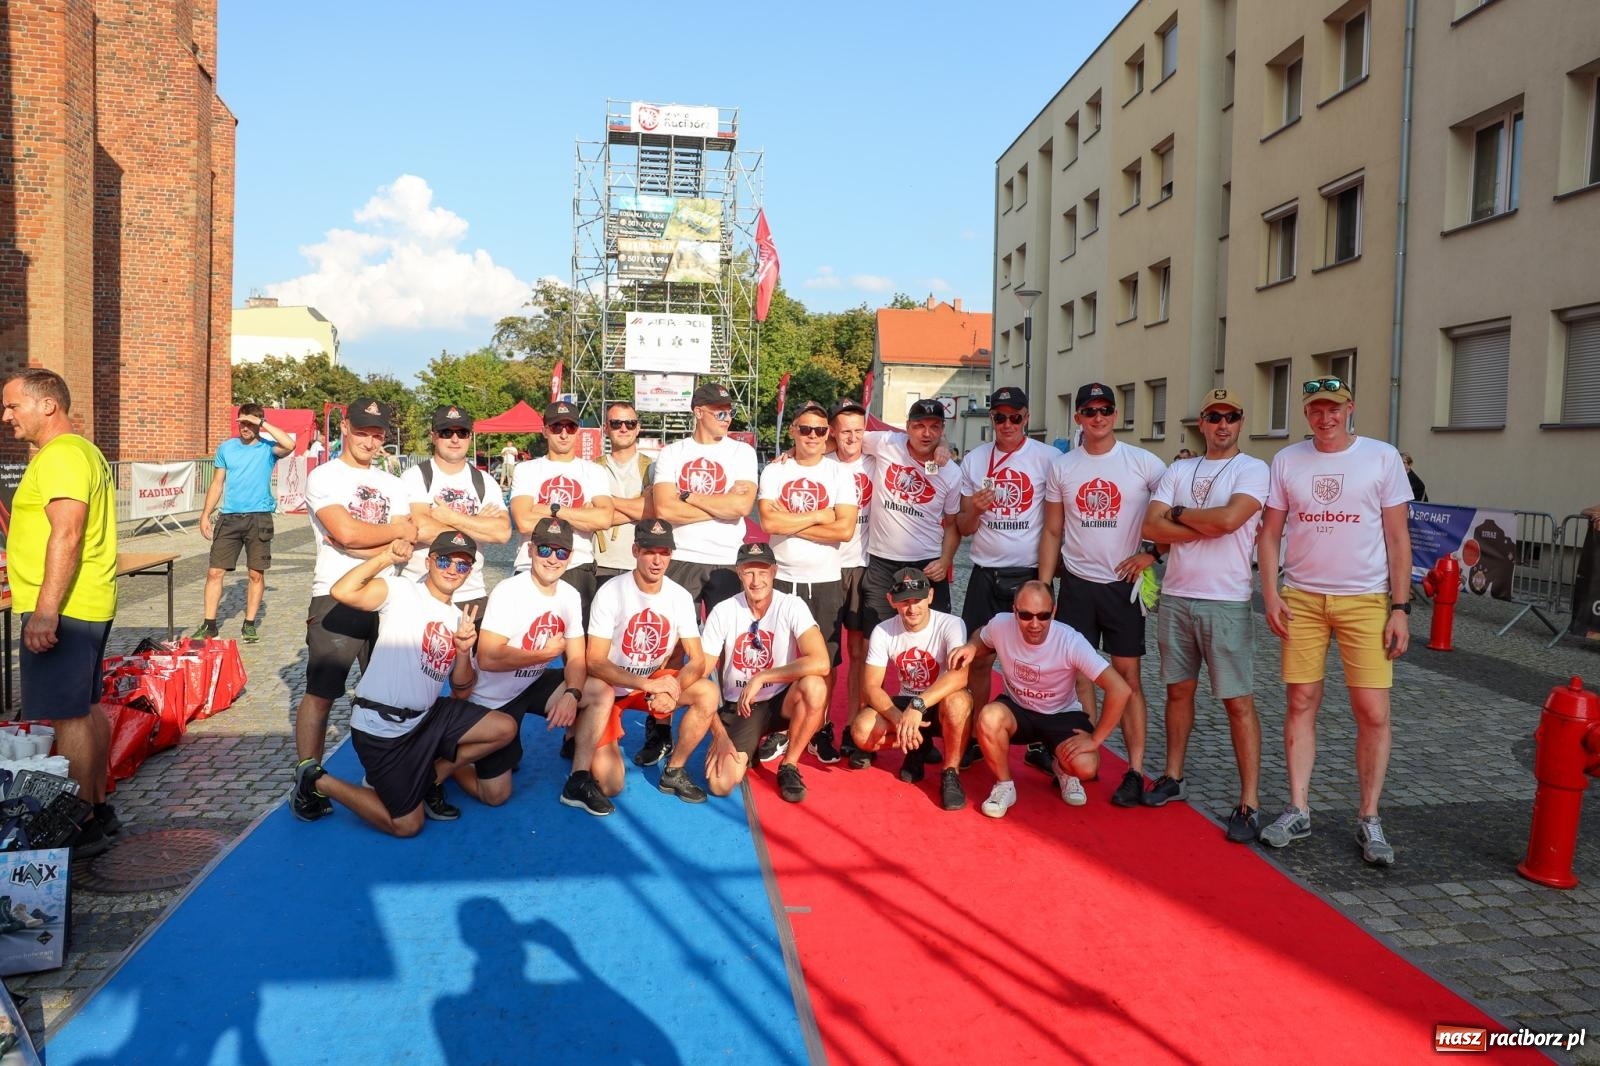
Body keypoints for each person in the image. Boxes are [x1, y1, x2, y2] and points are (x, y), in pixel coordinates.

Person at [1257, 377, 1412, 866]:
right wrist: (1269, 593)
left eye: (1334, 408)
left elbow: (1398, 539)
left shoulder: (1381, 457)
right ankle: (1298, 808)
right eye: (1315, 410)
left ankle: (1369, 815)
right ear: (1306, 413)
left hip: (1366, 600)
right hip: (1302, 598)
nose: (1325, 418)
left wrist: (1401, 609)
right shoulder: (1287, 460)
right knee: (1301, 701)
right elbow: (1269, 534)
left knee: (1373, 711)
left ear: (1350, 408)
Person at [289, 531, 517, 836]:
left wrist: (463, 651)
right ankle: (317, 780)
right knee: (408, 825)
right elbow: (342, 590)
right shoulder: (402, 590)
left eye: (462, 565)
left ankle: (431, 777)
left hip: (427, 718)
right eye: (445, 561)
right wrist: (385, 557)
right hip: (382, 726)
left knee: (504, 728)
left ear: (470, 571)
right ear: (430, 561)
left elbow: (462, 690)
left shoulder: (457, 618)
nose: (453, 569)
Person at [1140, 388, 1271, 842]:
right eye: (1214, 417)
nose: (1222, 424)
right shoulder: (1180, 469)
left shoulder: (1252, 469)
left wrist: (1178, 515)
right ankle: (1173, 775)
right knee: (1178, 692)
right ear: (1201, 423)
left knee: (1237, 702)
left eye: (1231, 416)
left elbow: (1231, 521)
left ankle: (1249, 802)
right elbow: (1150, 526)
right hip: (1177, 595)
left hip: (1226, 600)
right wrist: (1204, 524)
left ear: (1240, 422)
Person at [293, 397, 433, 819]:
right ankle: (307, 780)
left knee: (391, 693)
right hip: (336, 595)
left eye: (377, 434)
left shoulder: (393, 482)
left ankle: (391, 777)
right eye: (362, 432)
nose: (370, 442)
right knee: (322, 694)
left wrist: (366, 540)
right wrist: (386, 535)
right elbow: (346, 532)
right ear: (345, 429)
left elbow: (408, 535)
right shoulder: (325, 475)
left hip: (388, 595)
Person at [2, 368, 118, 854]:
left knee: (68, 716)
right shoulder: (79, 452)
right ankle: (97, 808)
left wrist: (46, 610)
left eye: (13, 405)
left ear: (47, 404)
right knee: (85, 709)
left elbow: (67, 532)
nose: (6, 416)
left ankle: (78, 822)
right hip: (82, 603)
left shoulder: (62, 455)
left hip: (65, 607)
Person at [1038, 382, 1166, 807]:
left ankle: (1135, 770)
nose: (1098, 417)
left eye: (1106, 409)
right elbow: (1052, 529)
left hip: (1122, 587)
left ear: (1115, 415)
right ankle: (1080, 759)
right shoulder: (1063, 466)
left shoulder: (1144, 463)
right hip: (1077, 585)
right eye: (1090, 411)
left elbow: (1173, 513)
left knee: (1128, 679)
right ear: (1078, 417)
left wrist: (1153, 553)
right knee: (1078, 676)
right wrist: (1045, 584)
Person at [953, 581, 1131, 818]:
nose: (1035, 624)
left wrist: (1096, 739)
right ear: (1015, 610)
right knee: (988, 717)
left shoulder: (1070, 640)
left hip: (1061, 715)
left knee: (1087, 767)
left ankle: (1063, 768)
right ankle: (1004, 784)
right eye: (1026, 615)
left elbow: (1120, 689)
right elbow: (982, 636)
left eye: (1043, 615)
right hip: (1018, 709)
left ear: (1053, 611)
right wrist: (971, 647)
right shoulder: (1001, 624)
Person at [572, 519, 714, 813]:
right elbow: (595, 661)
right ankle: (579, 730)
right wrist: (649, 684)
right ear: (635, 550)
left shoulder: (679, 596)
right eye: (650, 551)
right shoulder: (611, 591)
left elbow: (698, 659)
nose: (657, 560)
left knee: (708, 693)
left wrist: (673, 689)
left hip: (651, 685)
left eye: (664, 552)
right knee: (611, 785)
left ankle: (674, 771)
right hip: (610, 689)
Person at [671, 542, 830, 802]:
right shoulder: (724, 610)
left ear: (774, 572)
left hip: (781, 700)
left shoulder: (792, 605)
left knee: (814, 686)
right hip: (741, 706)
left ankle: (789, 764)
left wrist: (763, 676)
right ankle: (749, 745)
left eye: (763, 572)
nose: (756, 580)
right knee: (720, 784)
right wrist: (719, 734)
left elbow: (821, 661)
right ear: (739, 573)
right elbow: (701, 674)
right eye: (749, 572)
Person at [755, 399, 858, 764]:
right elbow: (769, 523)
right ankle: (782, 727)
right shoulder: (775, 471)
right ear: (793, 431)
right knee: (780, 655)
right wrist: (819, 515)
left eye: (819, 430)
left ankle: (820, 726)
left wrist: (792, 522)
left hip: (824, 579)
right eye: (805, 429)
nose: (812, 436)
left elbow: (844, 530)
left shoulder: (839, 474)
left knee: (824, 660)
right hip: (781, 576)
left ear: (827, 434)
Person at [465, 516, 590, 808]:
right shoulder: (508, 591)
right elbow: (487, 658)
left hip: (530, 684)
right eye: (545, 549)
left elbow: (576, 657)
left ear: (570, 556)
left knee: (597, 691)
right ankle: (448, 763)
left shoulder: (570, 595)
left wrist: (572, 694)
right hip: (491, 699)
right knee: (496, 796)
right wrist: (544, 655)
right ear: (531, 550)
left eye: (561, 552)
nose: (553, 558)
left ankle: (579, 778)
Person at [955, 386, 1057, 728]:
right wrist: (975, 509)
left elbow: (1056, 523)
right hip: (985, 574)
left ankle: (1040, 737)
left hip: (1027, 575)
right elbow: (964, 526)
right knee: (978, 659)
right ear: (992, 418)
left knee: (1036, 662)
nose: (1008, 424)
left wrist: (1045, 582)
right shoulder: (975, 459)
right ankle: (973, 734)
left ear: (1026, 417)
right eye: (1000, 418)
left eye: (1015, 417)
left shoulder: (1047, 458)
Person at [851, 568, 972, 811]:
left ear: (930, 596)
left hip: (939, 702)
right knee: (861, 732)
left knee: (959, 702)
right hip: (907, 702)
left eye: (918, 600)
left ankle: (950, 772)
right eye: (905, 601)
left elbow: (960, 676)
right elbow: (871, 686)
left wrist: (918, 706)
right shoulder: (883, 631)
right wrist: (900, 719)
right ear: (891, 600)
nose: (912, 608)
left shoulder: (952, 624)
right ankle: (919, 744)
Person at [648, 381, 758, 615]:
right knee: (677, 634)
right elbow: (665, 510)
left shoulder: (743, 452)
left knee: (726, 634)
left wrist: (688, 497)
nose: (727, 418)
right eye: (720, 413)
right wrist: (723, 504)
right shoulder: (672, 453)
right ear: (698, 412)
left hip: (727, 560)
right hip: (681, 557)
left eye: (730, 412)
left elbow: (741, 506)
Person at [858, 398, 963, 637]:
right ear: (907, 427)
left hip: (926, 564)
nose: (926, 433)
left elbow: (952, 524)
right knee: (874, 637)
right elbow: (847, 438)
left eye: (934, 427)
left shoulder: (951, 472)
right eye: (919, 426)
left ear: (942, 429)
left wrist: (945, 560)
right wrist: (793, 451)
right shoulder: (887, 443)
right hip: (882, 562)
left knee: (931, 640)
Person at [398, 405, 511, 618]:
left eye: (462, 432)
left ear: (470, 437)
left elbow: (502, 532)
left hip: (471, 593)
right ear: (433, 436)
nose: (455, 439)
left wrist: (451, 517)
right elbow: (419, 529)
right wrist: (477, 523)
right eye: (446, 432)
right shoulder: (415, 476)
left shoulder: (485, 481)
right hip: (420, 591)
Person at [194, 403, 294, 642]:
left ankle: (249, 623)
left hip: (259, 518)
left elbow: (290, 445)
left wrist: (263, 423)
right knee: (215, 571)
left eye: (250, 423)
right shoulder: (226, 448)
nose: (245, 427)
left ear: (258, 423)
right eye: (242, 423)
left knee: (255, 574)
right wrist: (205, 514)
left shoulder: (268, 449)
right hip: (229, 517)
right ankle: (209, 625)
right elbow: (217, 483)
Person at [509, 400, 614, 612]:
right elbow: (523, 522)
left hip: (577, 565)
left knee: (575, 633)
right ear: (545, 431)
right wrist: (582, 515)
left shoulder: (594, 471)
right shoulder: (526, 470)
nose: (564, 434)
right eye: (557, 427)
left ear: (577, 431)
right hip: (531, 564)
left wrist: (552, 509)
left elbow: (604, 519)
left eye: (570, 427)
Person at [828, 398, 875, 755]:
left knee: (859, 651)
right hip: (826, 567)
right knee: (824, 654)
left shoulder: (876, 460)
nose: (852, 438)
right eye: (845, 431)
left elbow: (921, 444)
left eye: (858, 431)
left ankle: (853, 725)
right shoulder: (821, 463)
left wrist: (941, 449)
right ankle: (820, 725)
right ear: (833, 432)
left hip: (862, 565)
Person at [594, 401, 651, 587]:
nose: (624, 428)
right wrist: (639, 508)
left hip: (642, 563)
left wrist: (608, 501)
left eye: (630, 424)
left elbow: (655, 511)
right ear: (606, 428)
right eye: (616, 423)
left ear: (638, 428)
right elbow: (590, 517)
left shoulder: (653, 468)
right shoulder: (591, 469)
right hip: (599, 564)